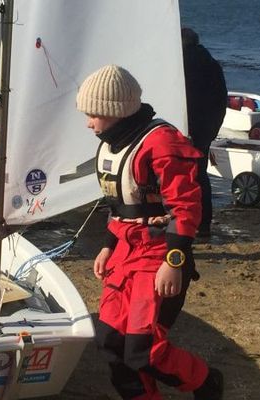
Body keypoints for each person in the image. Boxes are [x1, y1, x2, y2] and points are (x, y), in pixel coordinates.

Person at [76, 65, 223, 400]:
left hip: (157, 257)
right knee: (112, 344)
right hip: (124, 255)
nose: (88, 123)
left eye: (93, 114)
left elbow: (187, 209)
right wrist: (106, 246)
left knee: (145, 350)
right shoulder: (112, 144)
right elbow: (120, 205)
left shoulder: (161, 143)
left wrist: (174, 260)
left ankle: (204, 381)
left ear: (114, 111)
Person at [181, 27, 227, 238]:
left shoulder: (182, 63)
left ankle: (183, 222)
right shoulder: (212, 64)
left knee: (179, 176)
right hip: (206, 129)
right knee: (201, 175)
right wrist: (212, 130)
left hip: (186, 127)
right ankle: (204, 223)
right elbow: (222, 100)